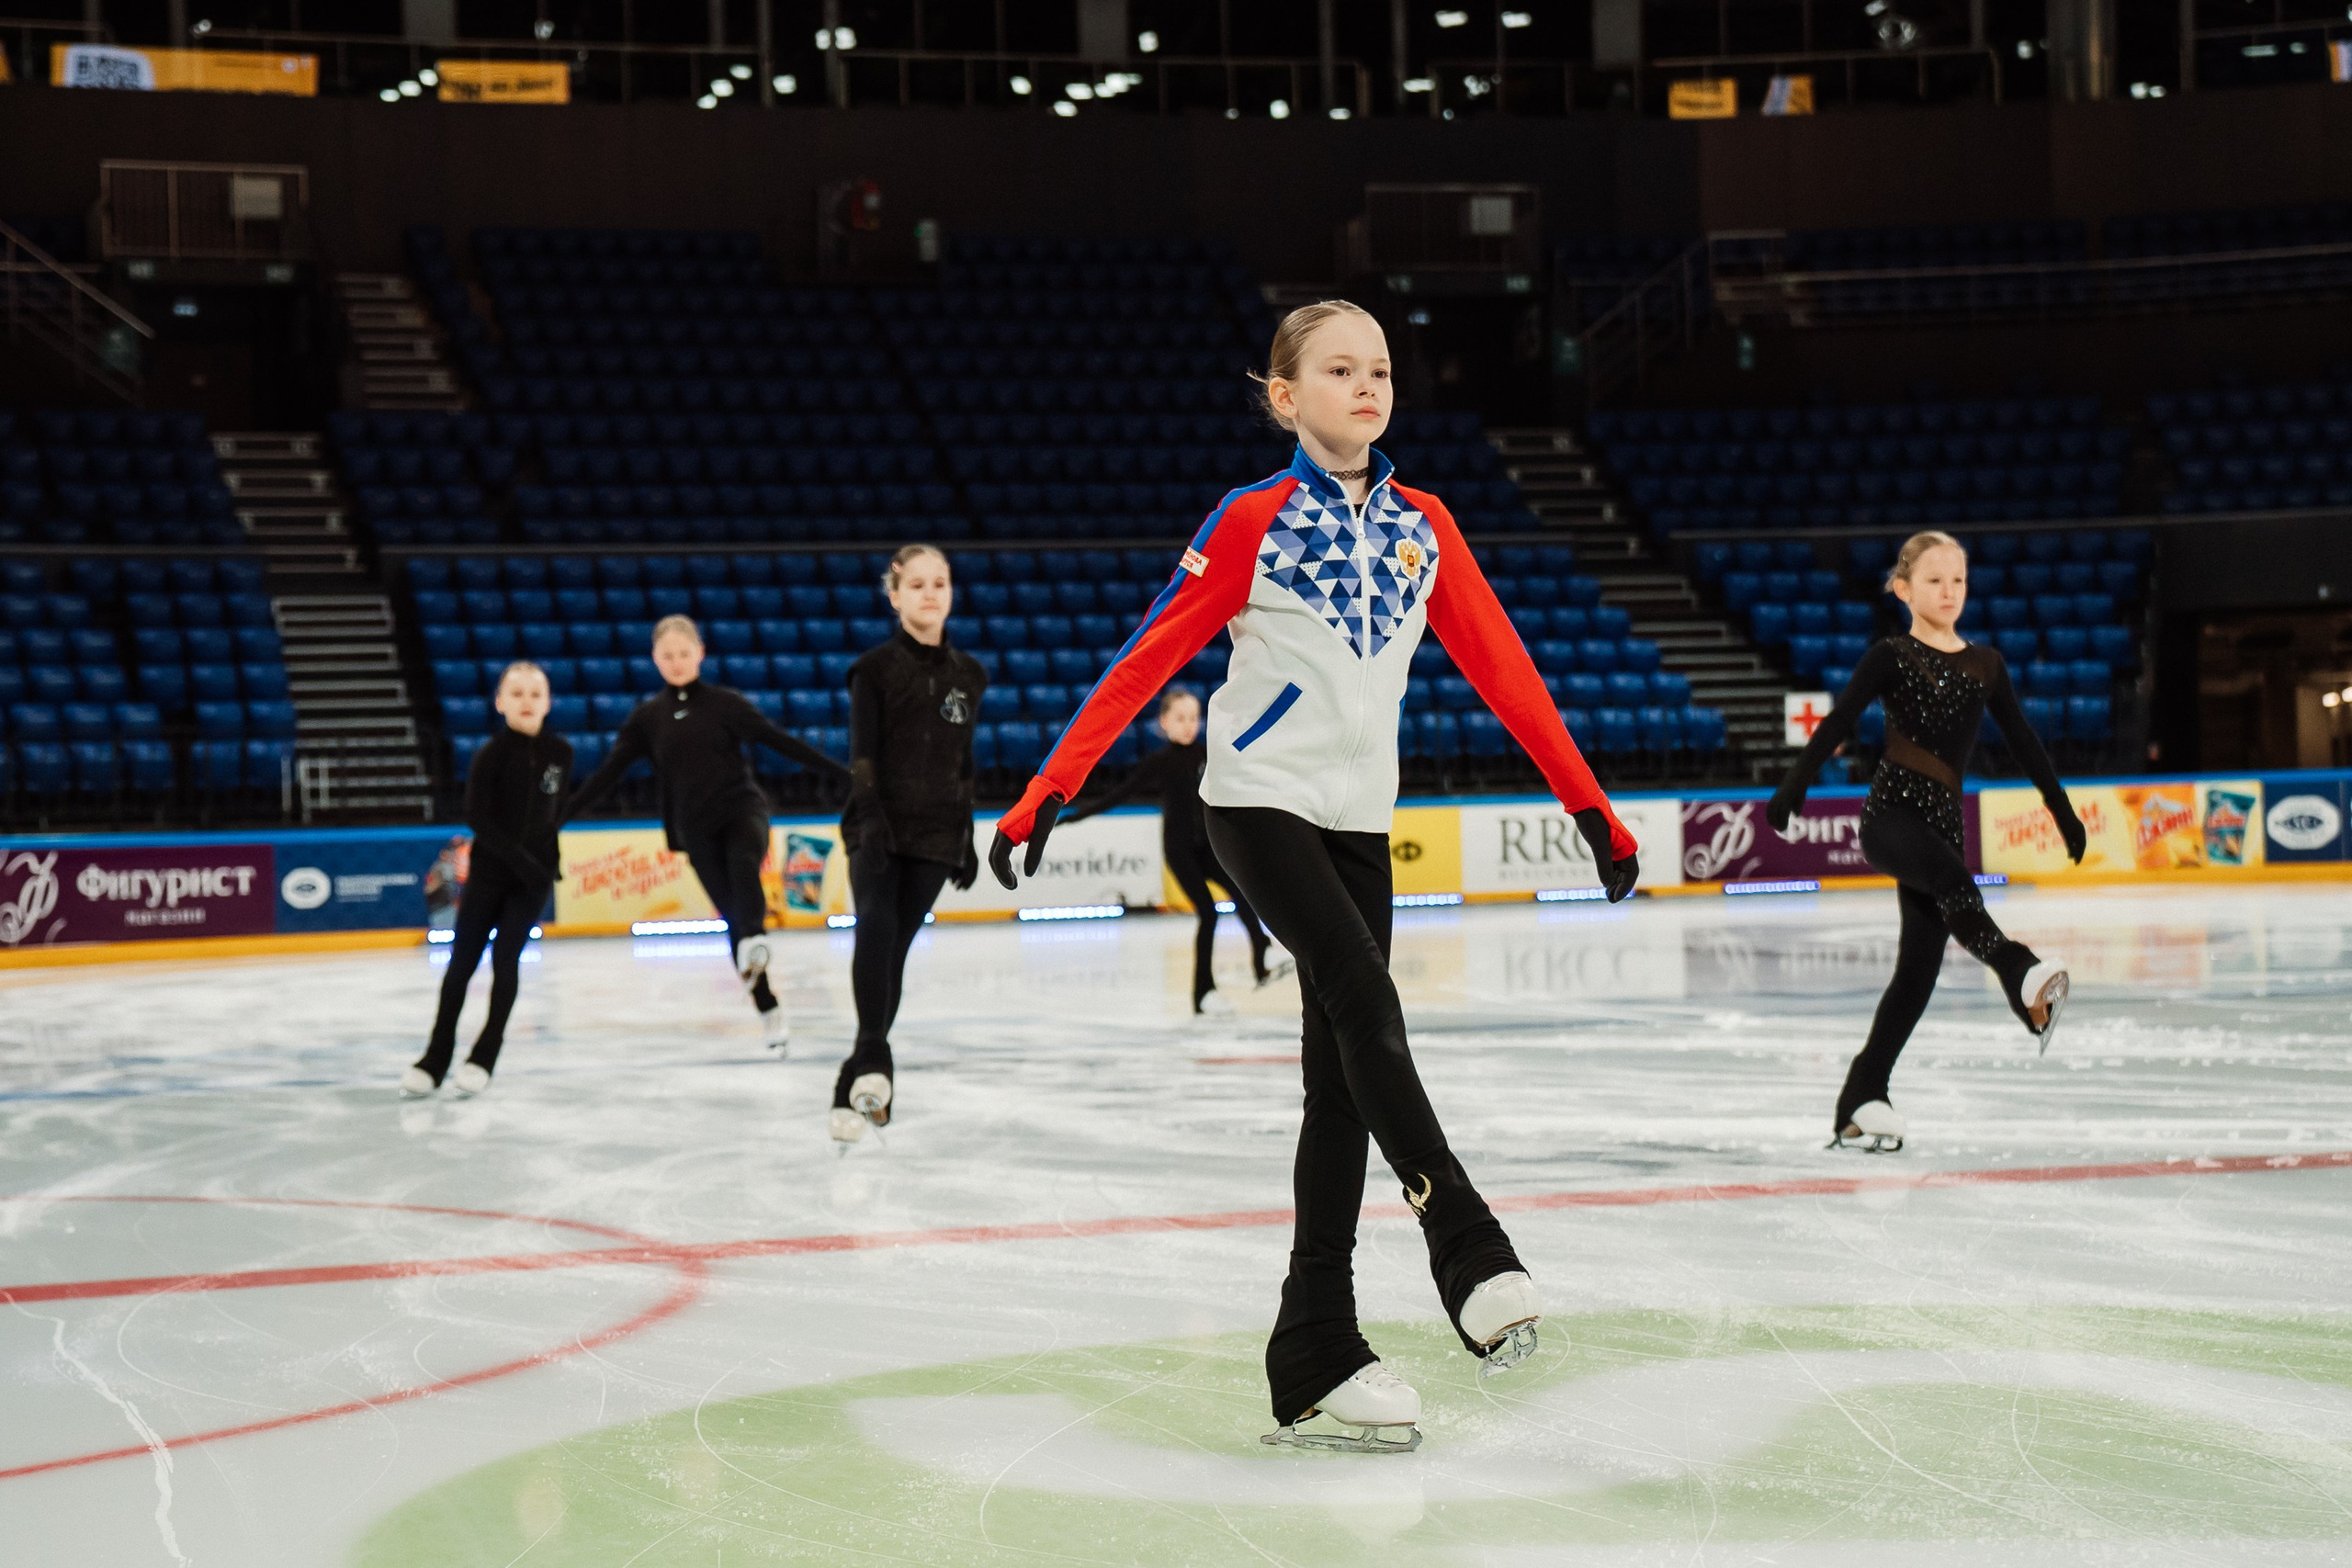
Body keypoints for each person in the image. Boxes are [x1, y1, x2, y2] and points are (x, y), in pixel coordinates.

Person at [988, 299, 1641, 1454]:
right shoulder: (1251, 520)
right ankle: (1467, 1245)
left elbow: (1506, 670)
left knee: (1339, 1081)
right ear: (1285, 397)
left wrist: (1588, 804)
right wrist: (1047, 789)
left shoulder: (1424, 526)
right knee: (1366, 1002)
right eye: (1339, 370)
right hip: (1253, 802)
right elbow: (1148, 658)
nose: (1367, 385)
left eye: (1380, 368)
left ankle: (1314, 1349)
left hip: (1359, 820)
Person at [1769, 529, 2084, 1153]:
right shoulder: (1890, 654)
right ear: (1904, 588)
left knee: (1917, 974)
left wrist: (2062, 811)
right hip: (1890, 819)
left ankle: (1861, 1097)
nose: (1949, 591)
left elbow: (2023, 742)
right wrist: (1793, 789)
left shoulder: (1986, 664)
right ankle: (2021, 972)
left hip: (1944, 827)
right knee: (1956, 886)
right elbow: (1838, 720)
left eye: (1958, 580)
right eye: (1935, 580)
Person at [561, 614, 848, 1049]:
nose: (676, 662)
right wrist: (559, 816)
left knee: (743, 864)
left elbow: (779, 741)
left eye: (684, 653)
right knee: (730, 916)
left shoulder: (726, 704)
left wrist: (843, 775)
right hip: (693, 827)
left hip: (742, 809)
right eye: (667, 655)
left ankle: (756, 939)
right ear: (656, 660)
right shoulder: (648, 719)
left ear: (700, 654)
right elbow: (608, 774)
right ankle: (768, 1007)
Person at [831, 545, 987, 1146]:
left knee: (894, 950)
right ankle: (876, 1059)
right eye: (916, 584)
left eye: (939, 582)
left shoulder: (969, 675)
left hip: (937, 830)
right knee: (873, 920)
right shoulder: (872, 669)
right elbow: (861, 754)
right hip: (877, 824)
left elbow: (963, 760)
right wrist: (870, 819)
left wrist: (968, 832)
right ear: (893, 595)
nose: (929, 592)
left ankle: (854, 1075)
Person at [403, 660, 571, 1099]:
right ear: (500, 703)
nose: (527, 702)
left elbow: (553, 815)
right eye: (516, 693)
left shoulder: (562, 753)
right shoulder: (491, 755)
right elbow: (477, 816)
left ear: (549, 702)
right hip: (490, 876)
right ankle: (435, 1058)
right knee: (461, 965)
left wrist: (548, 862)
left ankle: (484, 1056)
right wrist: (521, 860)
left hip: (531, 882)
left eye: (536, 694)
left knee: (506, 962)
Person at [1064, 686, 1281, 1016]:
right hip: (1180, 852)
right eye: (1180, 718)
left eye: (1194, 718)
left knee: (1241, 891)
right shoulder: (1159, 763)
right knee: (1208, 914)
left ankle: (1262, 956)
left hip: (1209, 847)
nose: (1189, 725)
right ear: (1164, 722)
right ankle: (1202, 995)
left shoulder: (1209, 755)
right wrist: (1074, 815)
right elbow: (1119, 794)